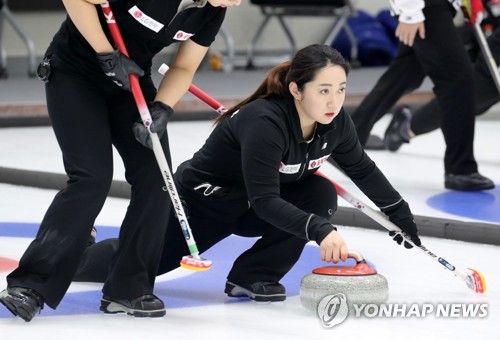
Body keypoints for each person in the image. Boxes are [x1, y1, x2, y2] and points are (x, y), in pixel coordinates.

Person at [73, 44, 421, 304]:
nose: (334, 102)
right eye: (324, 91)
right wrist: (321, 230)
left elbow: (362, 168)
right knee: (139, 264)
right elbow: (265, 199)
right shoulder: (265, 122)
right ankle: (76, 253)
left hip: (254, 207)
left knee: (319, 194)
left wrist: (399, 213)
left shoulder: (336, 122)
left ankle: (253, 276)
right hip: (205, 203)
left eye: (341, 90)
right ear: (296, 90)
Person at [0, 0, 242, 322]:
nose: (238, 1)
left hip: (129, 81)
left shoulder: (212, 10)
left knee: (157, 180)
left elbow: (184, 66)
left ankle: (128, 287)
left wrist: (163, 107)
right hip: (76, 72)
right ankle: (31, 285)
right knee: (92, 177)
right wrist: (105, 52)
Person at [349, 0, 495, 191]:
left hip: (432, 7)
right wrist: (411, 11)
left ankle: (346, 143)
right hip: (425, 6)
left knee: (405, 74)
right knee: (457, 81)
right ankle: (460, 169)